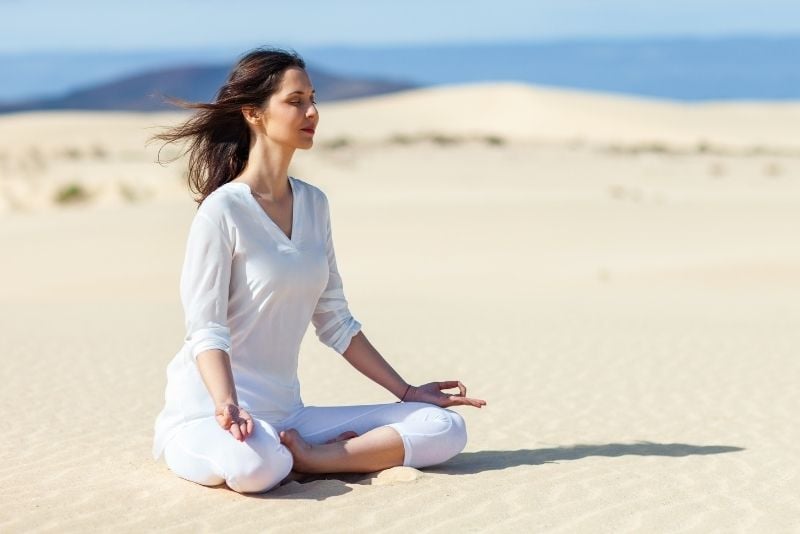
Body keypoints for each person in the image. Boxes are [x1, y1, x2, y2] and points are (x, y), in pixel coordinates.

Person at [150, 47, 486, 494]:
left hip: (289, 416)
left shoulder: (314, 204)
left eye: (313, 99)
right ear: (254, 113)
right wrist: (226, 403)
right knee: (256, 467)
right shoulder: (222, 211)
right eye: (295, 101)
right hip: (207, 414)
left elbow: (335, 321)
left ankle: (315, 457)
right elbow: (205, 330)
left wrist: (406, 392)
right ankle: (295, 456)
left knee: (444, 426)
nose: (312, 112)